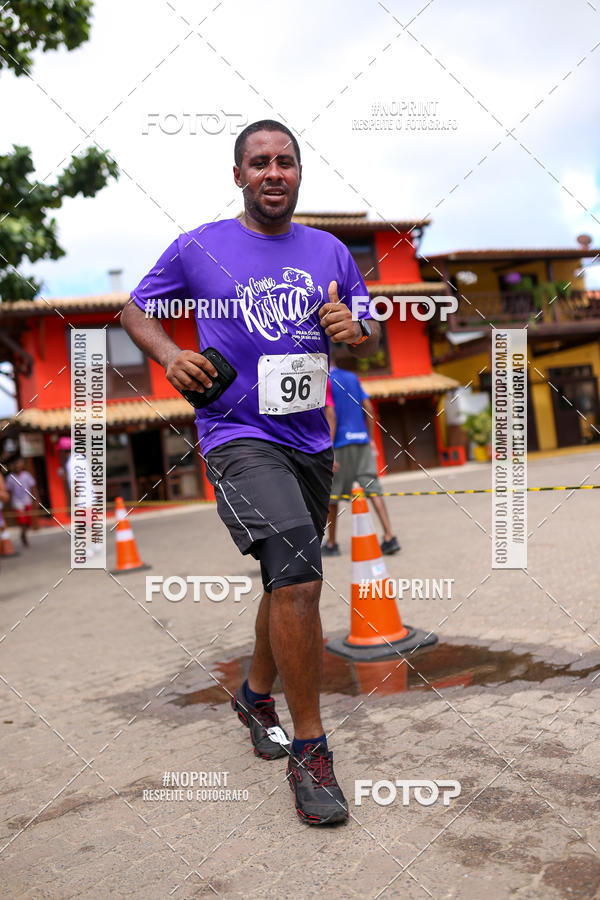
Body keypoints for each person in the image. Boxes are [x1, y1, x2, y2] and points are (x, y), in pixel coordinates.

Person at [121, 119, 380, 826]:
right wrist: (170, 355)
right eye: (259, 162)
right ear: (238, 175)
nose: (273, 172)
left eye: (285, 161)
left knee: (283, 575)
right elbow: (135, 310)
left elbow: (365, 330)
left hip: (310, 440)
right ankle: (310, 751)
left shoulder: (331, 251)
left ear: (299, 174)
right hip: (236, 434)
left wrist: (356, 331)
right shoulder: (200, 246)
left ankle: (255, 695)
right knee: (299, 575)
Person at [323, 364, 400, 556]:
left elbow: (330, 415)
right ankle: (389, 536)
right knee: (374, 489)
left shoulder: (325, 379)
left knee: (333, 496)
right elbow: (369, 408)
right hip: (362, 440)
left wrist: (328, 450)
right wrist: (371, 439)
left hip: (340, 443)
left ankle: (332, 544)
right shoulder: (352, 377)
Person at [5, 458, 37, 547]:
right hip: (17, 502)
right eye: (16, 465)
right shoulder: (10, 478)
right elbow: (9, 492)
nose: (17, 467)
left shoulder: (27, 475)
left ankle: (23, 534)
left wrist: (36, 500)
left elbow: (33, 488)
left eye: (19, 465)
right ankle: (24, 536)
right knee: (22, 520)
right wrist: (8, 504)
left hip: (27, 500)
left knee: (28, 521)